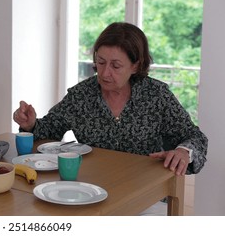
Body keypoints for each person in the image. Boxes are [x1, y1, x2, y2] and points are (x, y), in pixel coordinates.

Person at [13, 22, 207, 177]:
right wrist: (30, 124)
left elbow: (195, 137)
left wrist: (183, 151)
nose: (105, 73)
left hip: (146, 191)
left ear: (135, 65)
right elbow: (48, 129)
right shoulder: (82, 95)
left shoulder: (156, 95)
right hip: (92, 186)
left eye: (116, 66)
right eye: (101, 62)